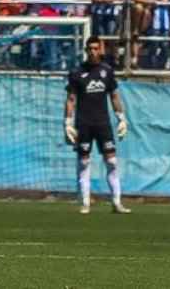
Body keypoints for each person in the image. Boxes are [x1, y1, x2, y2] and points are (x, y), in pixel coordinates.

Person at [64, 37, 131, 214]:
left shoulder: (107, 71)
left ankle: (117, 202)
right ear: (86, 51)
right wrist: (68, 123)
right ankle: (85, 202)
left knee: (112, 162)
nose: (93, 52)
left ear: (101, 50)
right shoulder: (77, 72)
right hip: (83, 124)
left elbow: (114, 96)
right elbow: (70, 99)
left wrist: (122, 118)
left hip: (103, 124)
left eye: (96, 48)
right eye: (90, 49)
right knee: (84, 164)